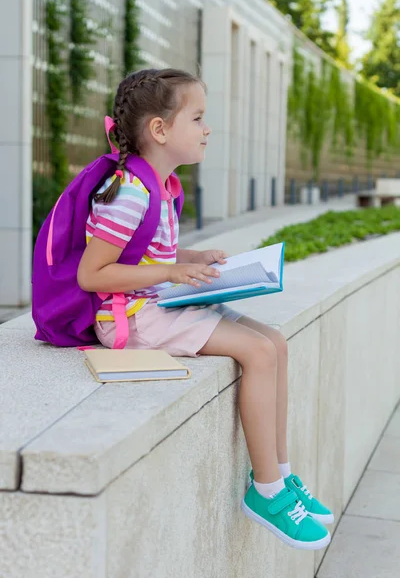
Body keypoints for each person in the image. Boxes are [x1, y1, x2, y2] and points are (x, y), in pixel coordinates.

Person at [77, 68, 333, 549]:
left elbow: (148, 255)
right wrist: (171, 274)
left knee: (273, 341)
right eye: (197, 118)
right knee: (256, 353)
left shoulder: (159, 184)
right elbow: (93, 275)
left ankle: (283, 472)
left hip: (157, 303)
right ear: (159, 130)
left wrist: (194, 260)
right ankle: (267, 493)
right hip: (131, 319)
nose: (207, 129)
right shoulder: (129, 193)